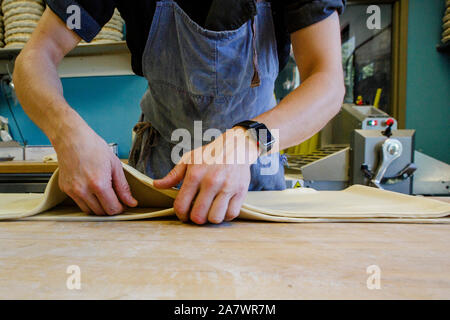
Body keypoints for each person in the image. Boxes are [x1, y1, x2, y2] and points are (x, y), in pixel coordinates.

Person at [13, 0, 346, 224]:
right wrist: (68, 134)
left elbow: (327, 81)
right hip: (154, 189)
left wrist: (248, 140)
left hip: (255, 181)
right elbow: (35, 58)